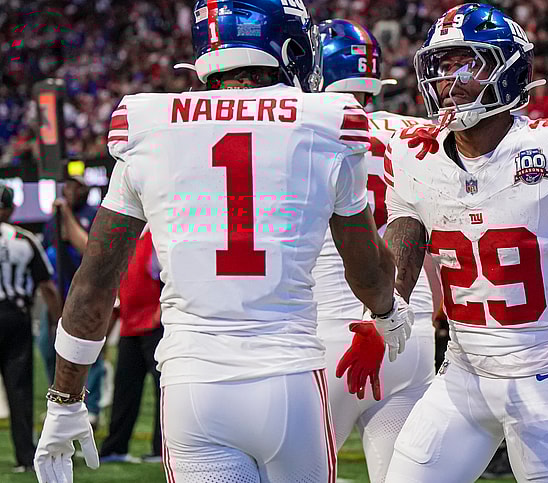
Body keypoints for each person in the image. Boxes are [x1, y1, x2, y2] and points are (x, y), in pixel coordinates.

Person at [32, 0, 415, 481]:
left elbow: (94, 283)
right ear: (290, 45)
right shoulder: (328, 119)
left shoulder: (148, 121)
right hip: (290, 377)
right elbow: (368, 272)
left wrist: (65, 399)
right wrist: (387, 311)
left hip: (193, 383)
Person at [382, 4, 548, 482]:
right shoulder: (416, 154)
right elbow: (404, 233)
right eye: (443, 67)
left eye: (469, 63)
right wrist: (382, 312)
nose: (451, 79)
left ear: (510, 71)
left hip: (542, 376)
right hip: (462, 374)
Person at [311, 19, 437, 483]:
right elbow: (420, 236)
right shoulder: (416, 133)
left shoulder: (308, 131)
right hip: (412, 332)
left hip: (334, 332)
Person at [0, 185, 61, 474]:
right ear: (11, 209)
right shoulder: (24, 239)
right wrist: (57, 323)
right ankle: (25, 457)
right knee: (19, 388)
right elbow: (47, 287)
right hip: (15, 317)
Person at [38, 174, 105, 425]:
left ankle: (93, 406)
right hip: (58, 296)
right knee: (47, 347)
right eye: (67, 185)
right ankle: (59, 400)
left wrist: (66, 214)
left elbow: (89, 250)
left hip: (85, 299)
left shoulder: (93, 215)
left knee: (88, 354)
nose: (70, 190)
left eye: (76, 186)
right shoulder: (51, 221)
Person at [99, 228, 163, 464]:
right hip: (130, 326)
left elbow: (171, 278)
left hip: (154, 326)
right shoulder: (128, 242)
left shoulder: (156, 237)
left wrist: (160, 313)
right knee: (124, 390)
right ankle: (115, 448)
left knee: (163, 390)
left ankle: (161, 449)